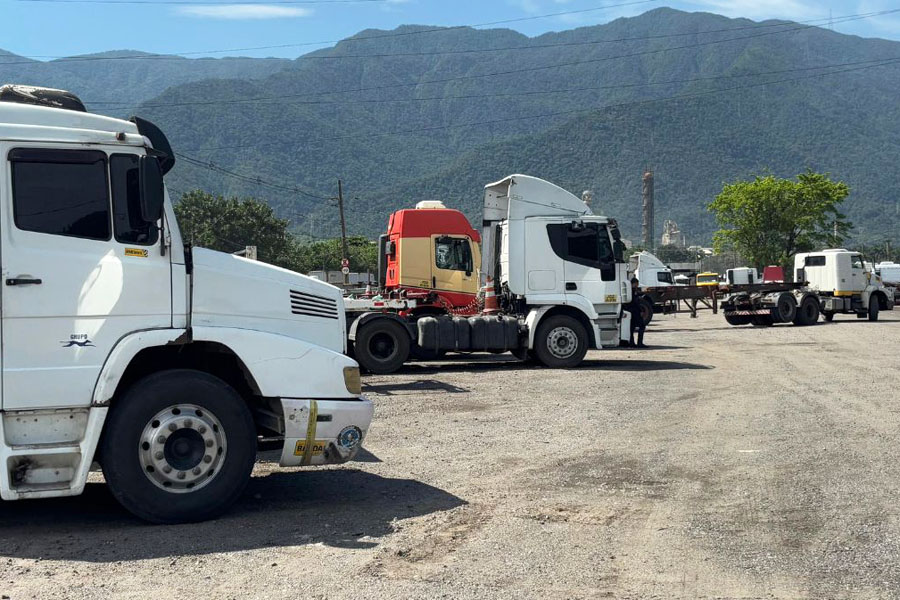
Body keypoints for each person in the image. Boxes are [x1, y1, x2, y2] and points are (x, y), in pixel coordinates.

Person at [625, 277, 647, 348]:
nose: (637, 285)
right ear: (634, 283)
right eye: (637, 284)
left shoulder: (628, 290)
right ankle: (639, 343)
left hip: (630, 311)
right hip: (635, 311)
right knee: (642, 326)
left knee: (631, 328)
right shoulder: (633, 291)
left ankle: (632, 343)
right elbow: (635, 302)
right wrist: (641, 310)